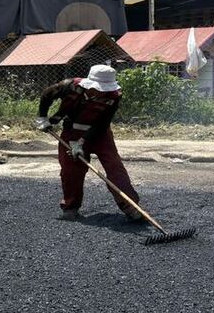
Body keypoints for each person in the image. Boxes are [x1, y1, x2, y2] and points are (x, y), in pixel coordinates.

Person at [34, 64, 142, 222]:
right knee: (71, 169)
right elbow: (46, 95)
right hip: (72, 131)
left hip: (100, 134)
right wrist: (42, 117)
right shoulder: (69, 87)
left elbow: (103, 123)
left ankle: (130, 205)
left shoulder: (114, 95)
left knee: (114, 166)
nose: (102, 92)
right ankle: (71, 207)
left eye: (105, 89)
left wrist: (82, 142)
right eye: (100, 88)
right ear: (91, 83)